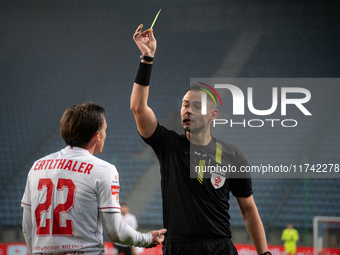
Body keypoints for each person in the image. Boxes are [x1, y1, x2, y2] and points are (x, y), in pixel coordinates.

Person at [130, 24, 270, 255]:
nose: (188, 110)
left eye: (197, 106)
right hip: (178, 249)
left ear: (213, 114)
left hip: (219, 248)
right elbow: (138, 107)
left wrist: (264, 253)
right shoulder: (169, 145)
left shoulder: (232, 155)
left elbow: (248, 211)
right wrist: (146, 58)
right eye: (185, 105)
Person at [21, 102, 166, 255]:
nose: (105, 135)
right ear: (97, 135)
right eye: (105, 130)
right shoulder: (103, 170)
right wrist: (147, 239)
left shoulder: (37, 167)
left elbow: (27, 226)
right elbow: (115, 231)